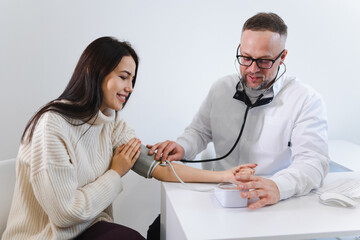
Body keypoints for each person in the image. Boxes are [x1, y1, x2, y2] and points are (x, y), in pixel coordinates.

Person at [2, 37, 256, 240]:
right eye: (123, 77)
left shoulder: (110, 122)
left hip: (88, 229)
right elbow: (65, 215)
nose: (130, 88)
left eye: (132, 79)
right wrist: (116, 172)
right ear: (94, 72)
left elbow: (160, 168)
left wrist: (225, 176)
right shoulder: (53, 125)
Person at [148, 12, 330, 210]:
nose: (252, 69)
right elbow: (199, 132)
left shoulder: (306, 100)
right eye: (246, 58)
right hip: (218, 194)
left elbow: (313, 163)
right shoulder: (221, 88)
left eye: (264, 61)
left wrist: (279, 186)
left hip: (269, 202)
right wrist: (182, 146)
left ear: (282, 57)